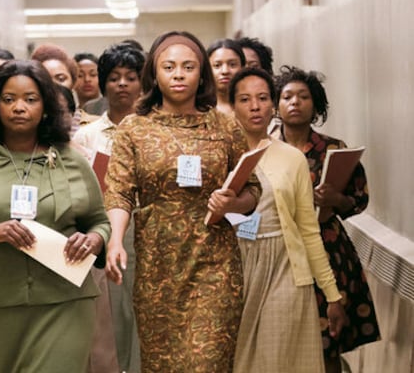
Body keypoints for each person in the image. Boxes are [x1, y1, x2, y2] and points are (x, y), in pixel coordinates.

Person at [0, 60, 111, 372]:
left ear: (46, 106)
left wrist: (94, 239)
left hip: (63, 306)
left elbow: (99, 222)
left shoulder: (72, 160)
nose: (19, 108)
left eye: (30, 99)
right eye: (8, 99)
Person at [104, 31, 260, 372]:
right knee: (163, 364)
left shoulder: (225, 125)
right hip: (157, 264)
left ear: (201, 73)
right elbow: (118, 190)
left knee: (209, 361)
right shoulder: (134, 128)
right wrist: (115, 239)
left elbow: (252, 191)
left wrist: (229, 206)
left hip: (215, 263)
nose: (178, 74)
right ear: (154, 75)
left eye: (188, 67)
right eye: (169, 66)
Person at [229, 67, 347, 372]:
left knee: (278, 359)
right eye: (245, 99)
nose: (255, 106)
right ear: (233, 106)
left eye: (262, 98)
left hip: (285, 268)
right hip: (234, 269)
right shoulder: (221, 154)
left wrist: (331, 294)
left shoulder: (292, 158)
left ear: (273, 106)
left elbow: (308, 231)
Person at [271, 65, 380, 373]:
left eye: (303, 97)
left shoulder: (334, 149)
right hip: (280, 251)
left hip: (329, 250)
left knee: (327, 342)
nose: (295, 102)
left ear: (315, 104)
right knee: (282, 341)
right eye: (287, 96)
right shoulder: (265, 149)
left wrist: (336, 200)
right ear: (276, 105)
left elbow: (358, 201)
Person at [72, 43, 145, 373]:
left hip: (146, 231)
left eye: (131, 77)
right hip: (102, 232)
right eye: (114, 77)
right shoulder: (85, 136)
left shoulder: (152, 131)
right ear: (104, 84)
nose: (122, 84)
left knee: (142, 313)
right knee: (107, 320)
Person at [207, 38, 246, 116]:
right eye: (217, 65)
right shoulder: (199, 109)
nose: (225, 71)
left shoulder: (254, 107)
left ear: (242, 68)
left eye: (232, 65)